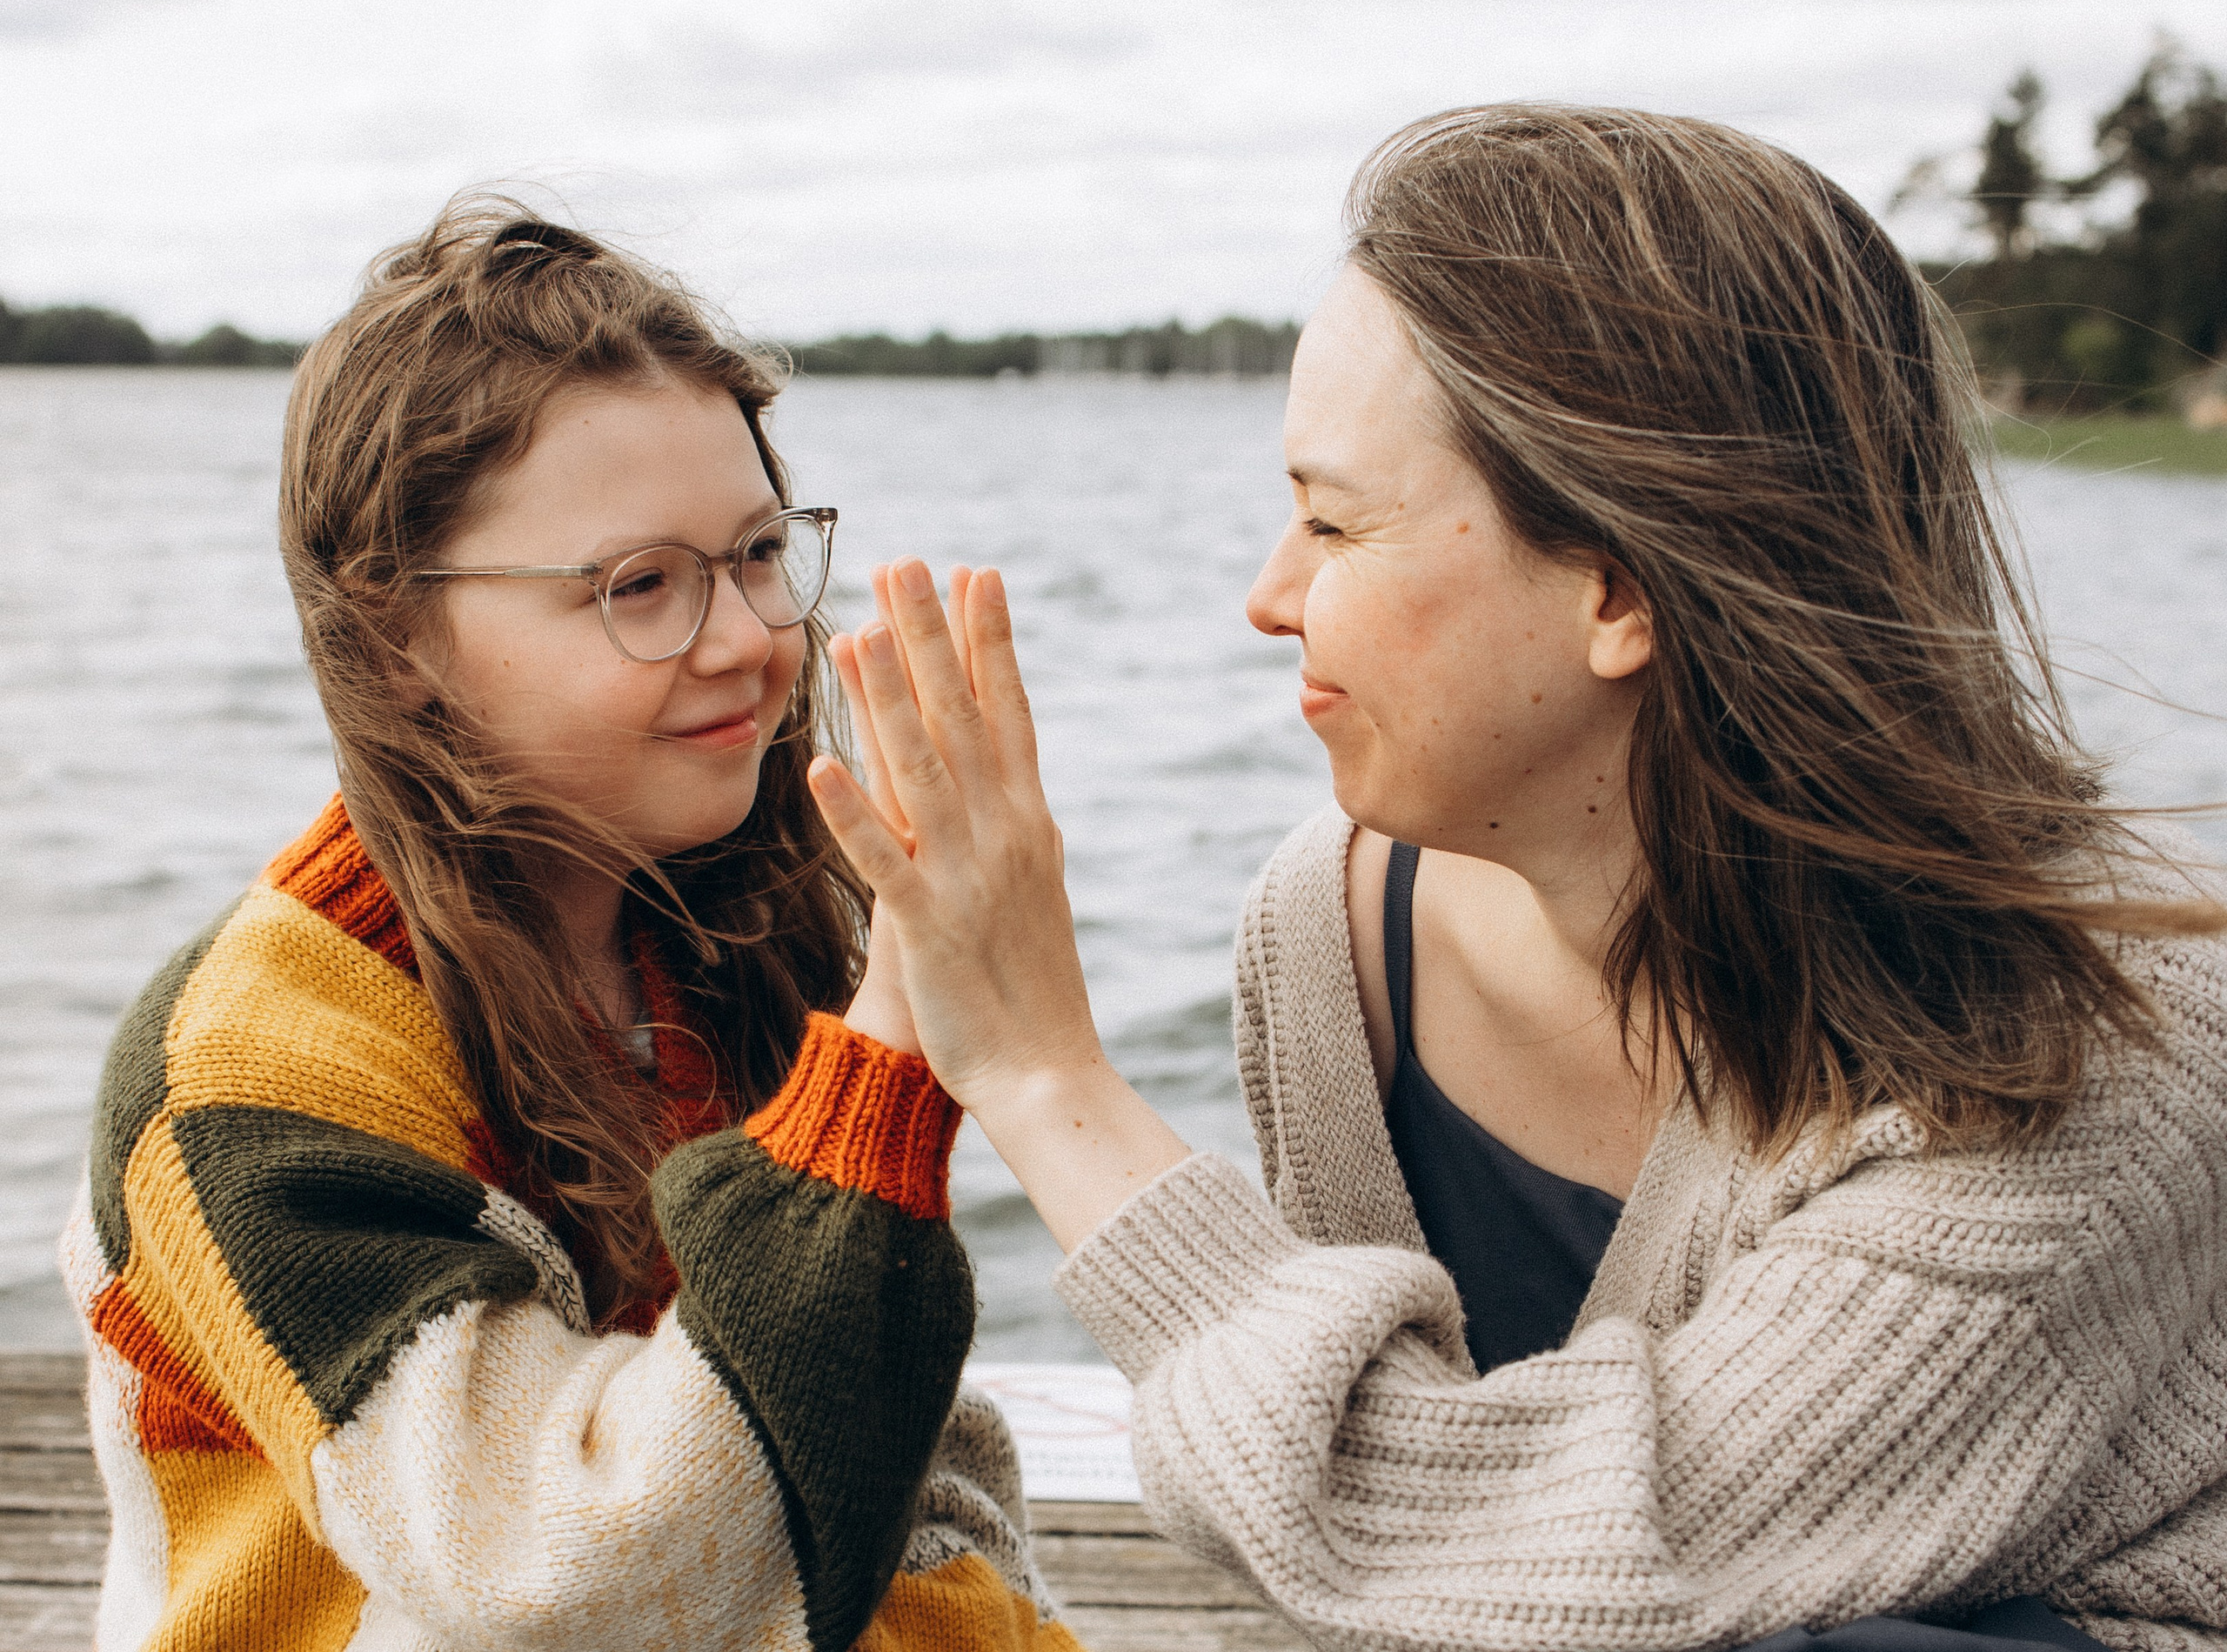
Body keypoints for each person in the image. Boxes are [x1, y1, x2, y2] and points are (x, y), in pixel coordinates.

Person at [807, 106, 2227, 1652]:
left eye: (1332, 519)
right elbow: (1361, 1589)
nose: (1267, 598)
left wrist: (1041, 1073)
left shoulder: (2092, 1050)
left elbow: (1537, 1551)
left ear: (1614, 586)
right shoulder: (1336, 928)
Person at [61, 200, 1079, 1651]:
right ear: (398, 636)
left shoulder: (701, 935)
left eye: (754, 555)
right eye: (638, 586)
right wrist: (902, 1024)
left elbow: (878, 1467)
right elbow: (575, 1586)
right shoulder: (250, 1084)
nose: (742, 638)